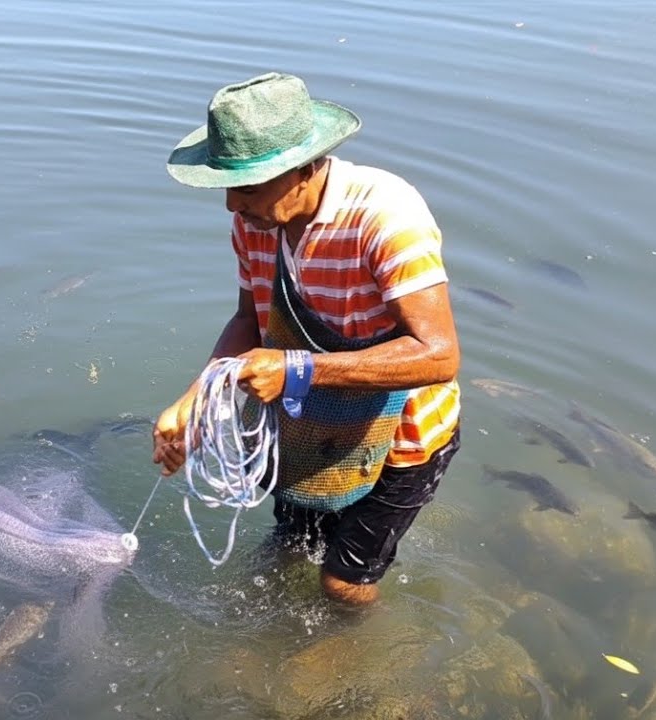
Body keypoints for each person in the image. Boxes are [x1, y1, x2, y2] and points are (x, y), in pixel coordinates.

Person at [152, 72, 461, 607]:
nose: (231, 205)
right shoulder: (258, 219)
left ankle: (350, 679)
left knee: (342, 584)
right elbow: (249, 318)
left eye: (245, 187)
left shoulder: (386, 217)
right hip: (307, 423)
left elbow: (438, 355)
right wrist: (196, 403)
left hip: (403, 437)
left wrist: (297, 370)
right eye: (227, 187)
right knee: (290, 546)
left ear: (303, 170)